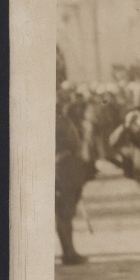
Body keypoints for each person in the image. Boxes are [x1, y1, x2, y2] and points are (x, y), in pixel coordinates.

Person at [55, 96, 95, 265]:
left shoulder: (64, 121)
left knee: (66, 213)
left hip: (69, 171)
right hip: (63, 172)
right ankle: (68, 253)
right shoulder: (58, 122)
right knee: (64, 213)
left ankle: (69, 251)